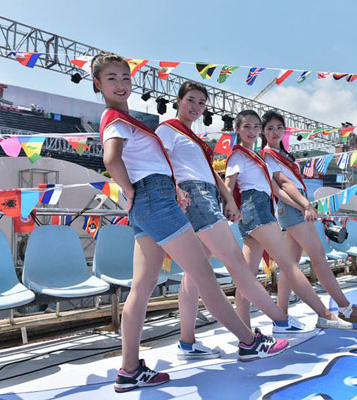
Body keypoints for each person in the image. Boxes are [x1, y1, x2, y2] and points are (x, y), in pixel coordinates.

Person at [92, 52, 288, 393]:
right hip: (153, 200)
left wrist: (149, 192)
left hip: (150, 202)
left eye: (125, 78)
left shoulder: (124, 120)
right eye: (112, 79)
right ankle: (249, 342)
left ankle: (130, 370)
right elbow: (111, 159)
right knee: (204, 276)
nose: (121, 84)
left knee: (143, 286)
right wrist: (131, 191)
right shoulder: (118, 121)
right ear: (97, 84)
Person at [155, 82, 312, 360]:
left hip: (205, 195)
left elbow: (210, 173)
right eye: (191, 100)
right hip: (194, 196)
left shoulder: (194, 138)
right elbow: (160, 162)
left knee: (194, 274)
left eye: (201, 103)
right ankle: (277, 322)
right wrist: (176, 188)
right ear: (178, 100)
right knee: (236, 263)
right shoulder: (168, 129)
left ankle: (187, 343)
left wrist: (228, 198)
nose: (196, 107)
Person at [225, 109, 352, 330]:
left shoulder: (254, 156)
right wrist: (230, 205)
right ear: (237, 129)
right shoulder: (240, 155)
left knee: (247, 276)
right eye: (247, 126)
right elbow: (230, 184)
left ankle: (246, 332)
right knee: (289, 265)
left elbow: (275, 187)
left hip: (259, 209)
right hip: (257, 210)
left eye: (256, 126)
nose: (252, 131)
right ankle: (324, 315)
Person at [259, 110, 357, 323]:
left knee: (290, 264)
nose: (275, 132)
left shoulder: (281, 154)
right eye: (270, 128)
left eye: (279, 128)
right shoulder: (268, 155)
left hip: (294, 206)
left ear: (285, 130)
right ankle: (345, 307)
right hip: (293, 206)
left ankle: (281, 315)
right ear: (263, 132)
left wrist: (302, 205)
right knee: (318, 256)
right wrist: (304, 206)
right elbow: (282, 186)